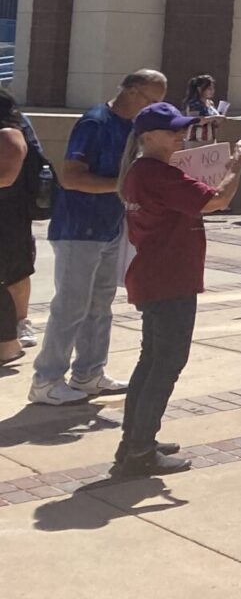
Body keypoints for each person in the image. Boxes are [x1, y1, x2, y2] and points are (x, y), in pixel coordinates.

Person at [113, 105, 241, 477]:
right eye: (171, 130)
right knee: (166, 364)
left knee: (151, 361)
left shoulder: (141, 172)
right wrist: (237, 163)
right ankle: (140, 451)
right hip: (169, 280)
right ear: (148, 137)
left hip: (155, 277)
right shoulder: (156, 174)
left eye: (181, 129)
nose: (180, 135)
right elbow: (217, 200)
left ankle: (134, 440)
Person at [31, 69, 165, 407]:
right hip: (79, 228)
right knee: (71, 305)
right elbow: (71, 177)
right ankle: (46, 379)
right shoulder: (95, 122)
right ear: (132, 91)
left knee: (99, 304)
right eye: (151, 101)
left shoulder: (133, 128)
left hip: (108, 227)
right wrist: (123, 186)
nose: (151, 110)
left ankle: (89, 373)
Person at [0, 90, 46, 367]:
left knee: (13, 274)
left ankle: (15, 332)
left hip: (9, 215)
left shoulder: (9, 134)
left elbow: (7, 177)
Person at [182, 74, 225, 144]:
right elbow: (195, 120)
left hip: (210, 140)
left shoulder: (210, 103)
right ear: (199, 89)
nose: (212, 91)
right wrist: (214, 118)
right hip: (196, 141)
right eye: (209, 89)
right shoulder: (194, 103)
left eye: (213, 88)